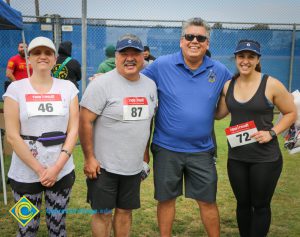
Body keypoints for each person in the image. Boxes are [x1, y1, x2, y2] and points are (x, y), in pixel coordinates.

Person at [142, 17, 232, 237]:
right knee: (165, 200)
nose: (195, 41)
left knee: (208, 200)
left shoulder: (219, 70)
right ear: (181, 41)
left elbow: (239, 92)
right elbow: (133, 81)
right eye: (189, 36)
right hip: (166, 148)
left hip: (201, 150)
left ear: (207, 43)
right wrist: (105, 78)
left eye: (200, 38)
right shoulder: (162, 65)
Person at [215, 39, 296, 237]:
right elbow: (218, 114)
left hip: (265, 158)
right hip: (237, 157)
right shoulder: (228, 85)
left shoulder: (272, 84)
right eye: (241, 56)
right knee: (242, 204)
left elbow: (291, 113)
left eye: (251, 57)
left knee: (260, 205)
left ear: (258, 59)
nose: (245, 61)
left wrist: (272, 132)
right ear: (236, 58)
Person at [79, 33, 157, 237]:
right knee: (103, 213)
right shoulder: (101, 84)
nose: (130, 58)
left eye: (135, 53)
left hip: (132, 166)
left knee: (125, 211)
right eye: (124, 53)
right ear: (116, 56)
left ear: (143, 57)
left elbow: (147, 121)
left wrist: (144, 154)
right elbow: (84, 121)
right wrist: (89, 158)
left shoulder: (150, 85)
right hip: (104, 166)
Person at [3, 36, 79, 236]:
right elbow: (12, 136)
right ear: (29, 59)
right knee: (26, 229)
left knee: (58, 228)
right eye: (37, 52)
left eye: (48, 53)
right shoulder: (15, 89)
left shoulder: (69, 89)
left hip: (60, 171)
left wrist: (55, 168)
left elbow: (73, 130)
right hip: (24, 173)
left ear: (55, 58)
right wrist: (40, 170)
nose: (42, 56)